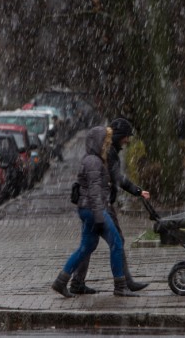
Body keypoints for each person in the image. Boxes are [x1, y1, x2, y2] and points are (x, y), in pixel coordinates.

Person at [51, 126, 137, 297]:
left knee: (87, 247)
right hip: (93, 210)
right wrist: (99, 217)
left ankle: (61, 282)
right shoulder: (93, 162)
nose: (107, 144)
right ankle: (120, 287)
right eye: (105, 141)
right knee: (117, 244)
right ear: (98, 142)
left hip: (88, 209)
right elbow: (94, 192)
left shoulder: (94, 160)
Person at [69, 117, 151, 294]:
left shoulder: (105, 151)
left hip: (93, 204)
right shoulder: (108, 153)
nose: (128, 140)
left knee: (88, 245)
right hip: (100, 205)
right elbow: (117, 178)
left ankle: (76, 283)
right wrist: (137, 191)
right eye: (126, 136)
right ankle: (124, 283)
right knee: (116, 241)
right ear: (119, 136)